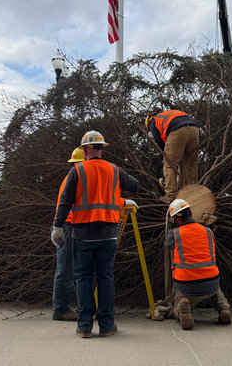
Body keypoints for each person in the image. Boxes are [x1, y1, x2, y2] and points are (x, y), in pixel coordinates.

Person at [51, 130, 140, 338]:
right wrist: (121, 197)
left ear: (84, 149)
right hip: (109, 234)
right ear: (102, 148)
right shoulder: (114, 170)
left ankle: (84, 326)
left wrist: (57, 226)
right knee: (106, 278)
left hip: (83, 234)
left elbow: (65, 202)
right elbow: (135, 186)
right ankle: (107, 326)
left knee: (83, 279)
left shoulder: (77, 171)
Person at [164, 198, 231, 330]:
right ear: (190, 214)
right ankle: (223, 308)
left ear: (177, 219)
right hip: (211, 282)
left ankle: (182, 310)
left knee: (178, 302)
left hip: (187, 285)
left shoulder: (175, 233)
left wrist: (172, 230)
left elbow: (167, 245)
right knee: (216, 290)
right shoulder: (208, 231)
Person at [51, 148, 84, 322]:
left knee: (73, 268)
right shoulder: (77, 177)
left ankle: (74, 308)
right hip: (68, 226)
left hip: (68, 225)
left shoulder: (73, 177)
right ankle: (61, 309)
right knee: (66, 269)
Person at [145, 110, 199, 203]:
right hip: (194, 130)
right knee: (191, 164)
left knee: (169, 165)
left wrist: (164, 158)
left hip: (178, 131)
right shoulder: (168, 115)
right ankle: (192, 194)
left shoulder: (154, 121)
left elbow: (159, 143)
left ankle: (170, 195)